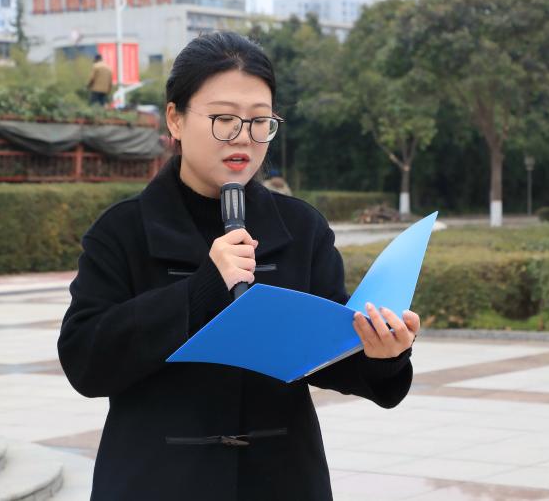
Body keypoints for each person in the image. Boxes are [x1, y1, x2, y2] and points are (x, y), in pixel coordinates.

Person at [58, 31, 419, 501]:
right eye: (223, 119)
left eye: (259, 121)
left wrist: (383, 355)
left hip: (281, 479)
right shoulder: (122, 230)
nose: (243, 137)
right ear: (175, 118)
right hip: (156, 479)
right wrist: (202, 290)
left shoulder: (301, 228)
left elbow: (329, 357)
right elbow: (86, 361)